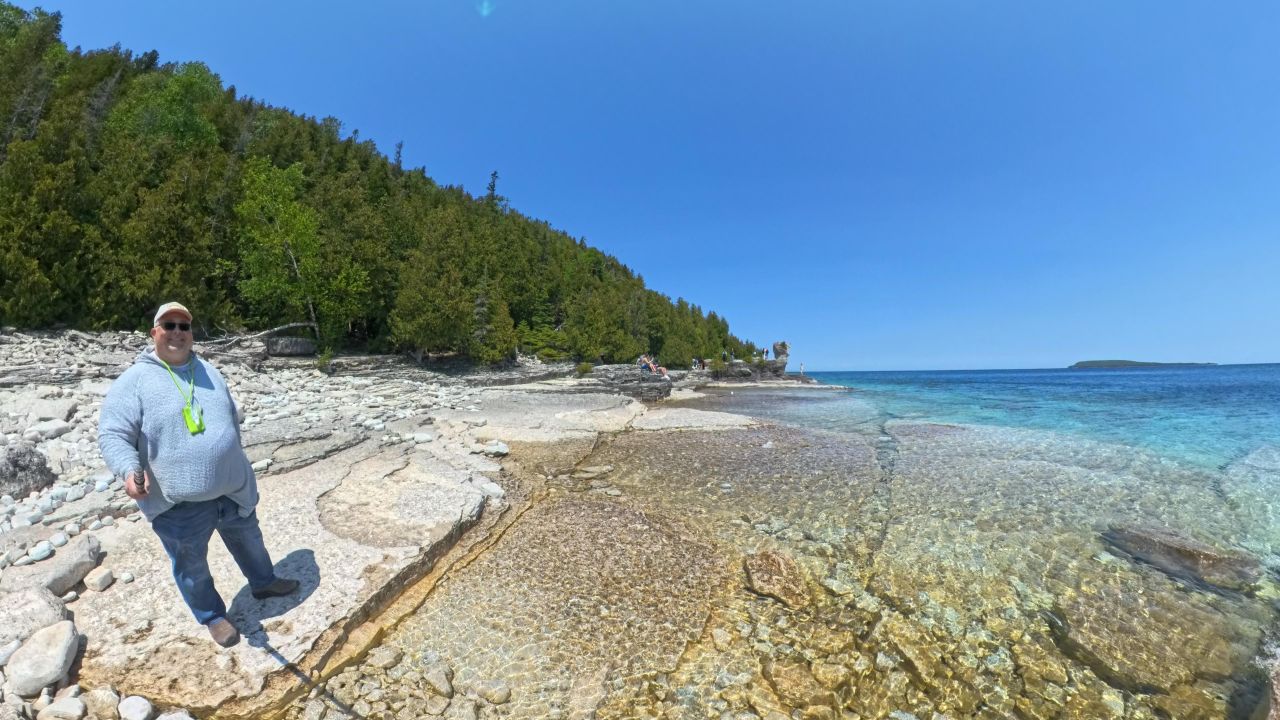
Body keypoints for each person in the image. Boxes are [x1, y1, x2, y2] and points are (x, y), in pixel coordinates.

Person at [98, 302, 299, 648]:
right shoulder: (134, 381)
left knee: (250, 541)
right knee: (191, 565)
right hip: (179, 504)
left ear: (192, 334)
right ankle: (212, 616)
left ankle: (264, 581)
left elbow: (230, 421)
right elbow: (113, 435)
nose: (178, 332)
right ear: (154, 333)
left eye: (184, 326)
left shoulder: (209, 371)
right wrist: (129, 470)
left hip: (231, 490)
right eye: (169, 325)